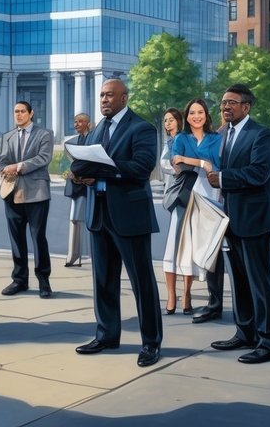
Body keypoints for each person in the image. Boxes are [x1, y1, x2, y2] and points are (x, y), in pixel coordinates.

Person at [69, 78, 162, 367]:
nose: (104, 100)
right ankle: (107, 334)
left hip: (129, 216)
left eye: (110, 95)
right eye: (101, 95)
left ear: (124, 97)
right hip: (99, 213)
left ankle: (150, 343)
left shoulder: (142, 128)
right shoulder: (97, 128)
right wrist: (79, 172)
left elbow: (141, 168)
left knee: (141, 281)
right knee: (103, 281)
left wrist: (103, 171)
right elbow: (83, 162)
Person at [206, 84, 270, 365]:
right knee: (238, 281)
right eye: (223, 102)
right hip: (228, 220)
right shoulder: (220, 135)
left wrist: (223, 178)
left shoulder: (262, 135)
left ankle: (269, 342)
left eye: (232, 103)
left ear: (246, 107)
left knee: (260, 283)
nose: (225, 107)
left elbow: (259, 173)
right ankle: (245, 332)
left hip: (255, 220)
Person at [0, 100, 55, 299]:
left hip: (37, 193)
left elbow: (43, 158)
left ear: (31, 113)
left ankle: (43, 280)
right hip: (12, 193)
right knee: (16, 238)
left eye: (22, 111)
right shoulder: (8, 137)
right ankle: (19, 280)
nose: (18, 115)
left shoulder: (44, 134)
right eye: (15, 112)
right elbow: (2, 162)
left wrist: (18, 166)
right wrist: (4, 169)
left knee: (38, 237)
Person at [169, 100, 222, 315]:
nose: (196, 116)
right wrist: (201, 163)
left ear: (206, 115)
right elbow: (177, 165)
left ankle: (214, 300)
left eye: (200, 112)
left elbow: (217, 166)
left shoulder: (216, 138)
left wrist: (190, 160)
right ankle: (189, 296)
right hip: (188, 196)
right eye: (192, 112)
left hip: (212, 195)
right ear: (187, 115)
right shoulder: (181, 138)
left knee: (212, 249)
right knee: (188, 247)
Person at [157, 108, 190, 315]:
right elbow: (165, 164)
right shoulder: (169, 143)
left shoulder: (185, 139)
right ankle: (172, 295)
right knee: (174, 246)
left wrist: (180, 165)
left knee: (188, 248)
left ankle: (186, 294)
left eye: (171, 120)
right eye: (165, 121)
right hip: (175, 196)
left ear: (179, 121)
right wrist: (173, 166)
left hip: (189, 194)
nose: (168, 123)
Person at [62, 113, 92, 267]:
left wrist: (75, 171)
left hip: (90, 183)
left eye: (80, 121)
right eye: (75, 121)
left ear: (89, 123)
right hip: (76, 185)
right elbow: (66, 163)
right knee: (75, 219)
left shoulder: (93, 139)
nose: (77, 124)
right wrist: (68, 172)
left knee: (87, 220)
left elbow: (91, 160)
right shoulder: (73, 141)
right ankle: (74, 255)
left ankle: (85, 255)